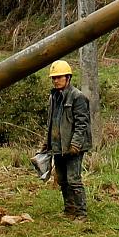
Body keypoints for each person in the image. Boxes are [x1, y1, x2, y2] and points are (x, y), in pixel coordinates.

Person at [39, 60, 92, 219]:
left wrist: (75, 144)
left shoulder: (77, 97)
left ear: (68, 77)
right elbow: (52, 122)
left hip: (73, 146)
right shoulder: (54, 96)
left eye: (59, 77)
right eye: (53, 78)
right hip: (58, 146)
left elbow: (82, 123)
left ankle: (81, 213)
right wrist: (46, 143)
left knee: (74, 180)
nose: (55, 80)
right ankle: (69, 211)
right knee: (62, 180)